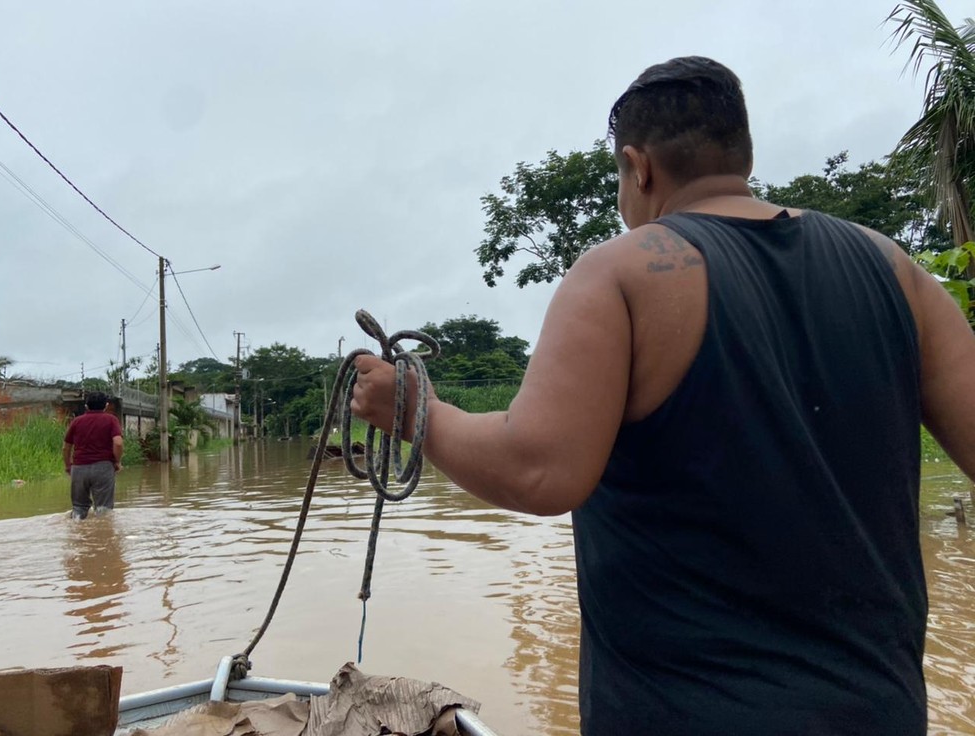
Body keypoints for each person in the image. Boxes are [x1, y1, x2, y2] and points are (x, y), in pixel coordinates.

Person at [350, 56, 975, 734]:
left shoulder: (622, 273)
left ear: (638, 166)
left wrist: (416, 412)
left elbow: (537, 468)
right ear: (741, 151)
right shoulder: (898, 272)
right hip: (882, 712)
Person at [62, 391, 123, 519]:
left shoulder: (76, 422)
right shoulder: (111, 420)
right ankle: (101, 535)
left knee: (78, 508)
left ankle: (77, 532)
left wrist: (68, 466)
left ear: (86, 406)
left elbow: (66, 447)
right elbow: (118, 443)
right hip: (103, 467)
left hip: (79, 468)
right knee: (103, 509)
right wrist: (117, 462)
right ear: (106, 406)